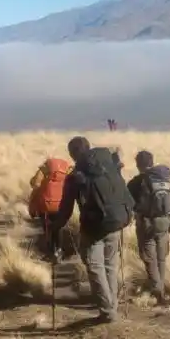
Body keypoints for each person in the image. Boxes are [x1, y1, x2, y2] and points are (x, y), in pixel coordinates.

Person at [49, 136, 134, 323]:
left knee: (95, 267)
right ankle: (112, 305)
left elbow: (65, 211)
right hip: (116, 221)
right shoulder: (109, 165)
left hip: (93, 228)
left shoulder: (76, 176)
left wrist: (54, 227)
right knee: (110, 265)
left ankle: (107, 311)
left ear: (73, 154)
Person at [126, 150, 170, 305]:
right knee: (161, 258)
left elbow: (129, 202)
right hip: (165, 222)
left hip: (146, 224)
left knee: (150, 258)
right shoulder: (163, 178)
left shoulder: (136, 182)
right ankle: (160, 288)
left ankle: (157, 291)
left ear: (138, 164)